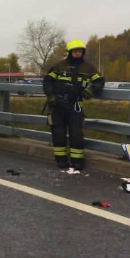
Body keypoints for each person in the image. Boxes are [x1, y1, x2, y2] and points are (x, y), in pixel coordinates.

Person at [43, 40, 105, 171]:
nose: (78, 53)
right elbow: (48, 81)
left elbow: (99, 81)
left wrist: (91, 90)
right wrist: (51, 96)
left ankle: (77, 162)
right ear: (70, 52)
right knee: (58, 134)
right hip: (57, 106)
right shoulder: (59, 66)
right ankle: (61, 160)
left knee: (76, 135)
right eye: (75, 51)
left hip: (75, 106)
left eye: (80, 51)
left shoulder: (89, 68)